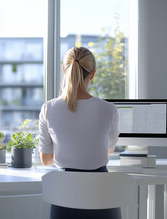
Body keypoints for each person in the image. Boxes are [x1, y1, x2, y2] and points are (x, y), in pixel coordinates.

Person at [37, 46, 120, 219]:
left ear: (63, 69)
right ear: (93, 74)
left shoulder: (49, 109)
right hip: (103, 201)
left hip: (65, 201)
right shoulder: (108, 109)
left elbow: (45, 160)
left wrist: (67, 153)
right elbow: (108, 150)